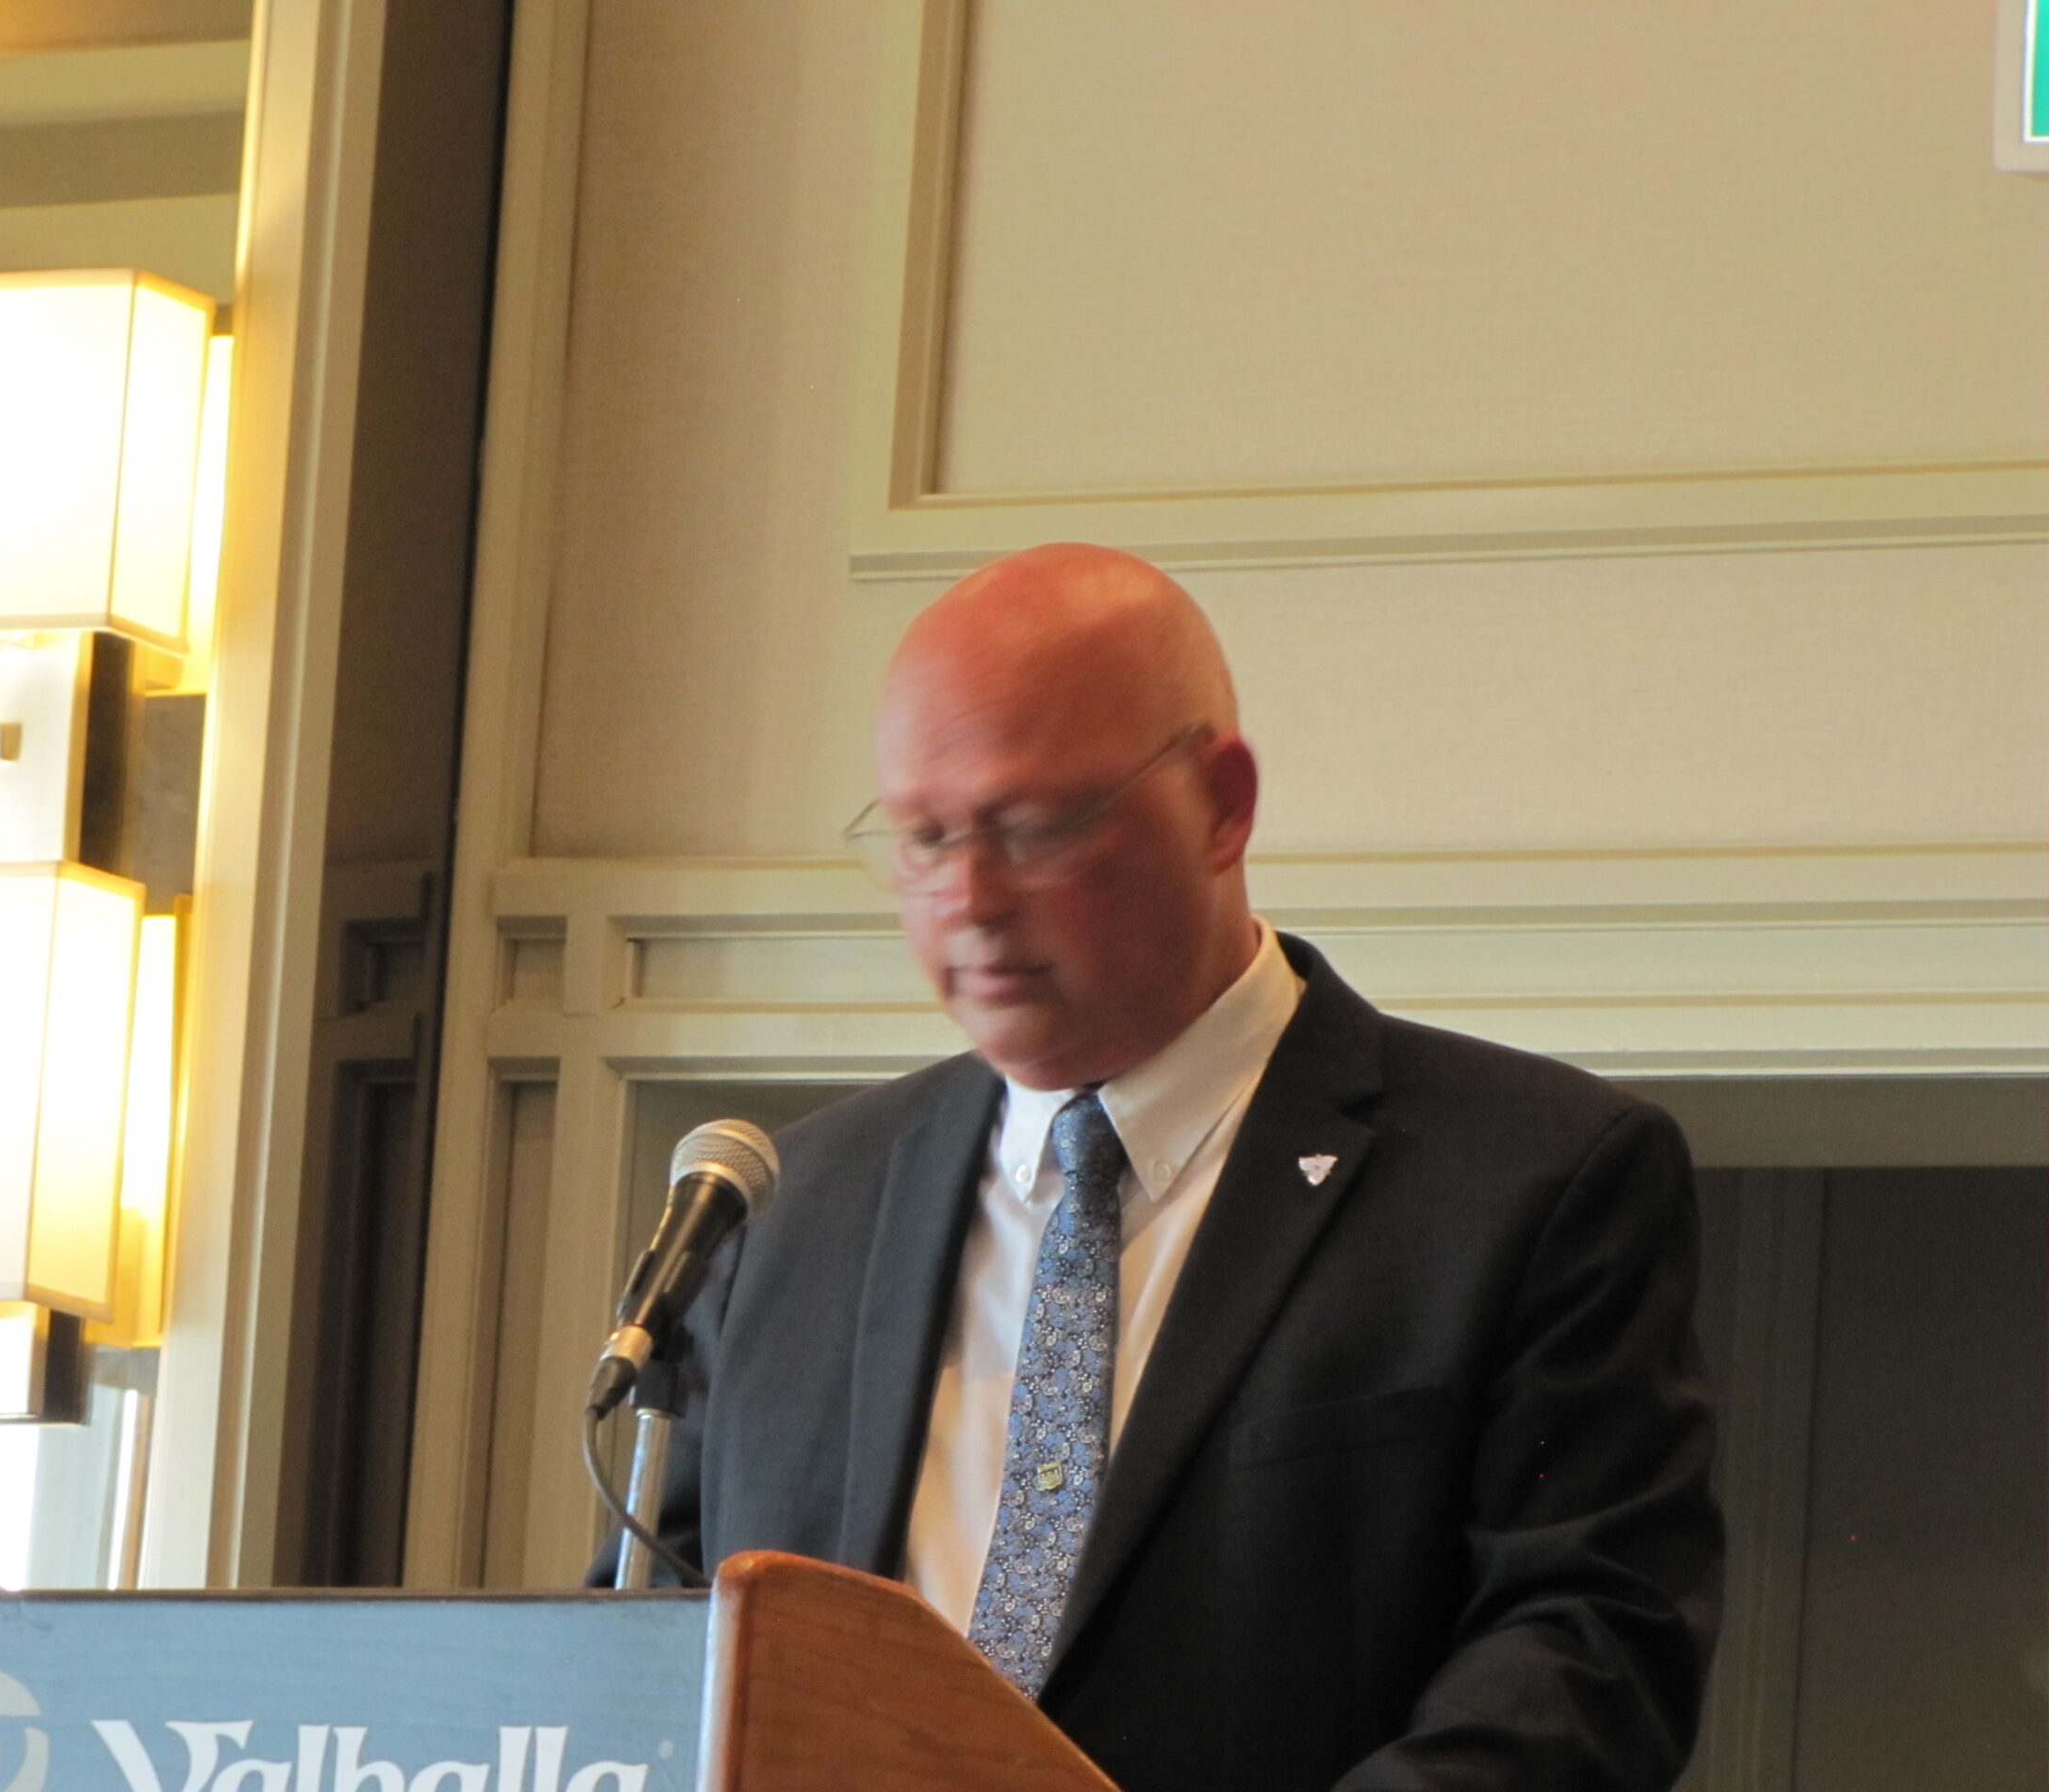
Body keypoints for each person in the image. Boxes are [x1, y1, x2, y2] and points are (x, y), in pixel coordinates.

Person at [631, 543, 1720, 1791]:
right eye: (923, 838)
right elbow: (658, 1657)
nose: (970, 899)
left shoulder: (1529, 1181)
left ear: (1223, 803)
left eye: (1032, 828)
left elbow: (1589, 1649)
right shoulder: (792, 1209)